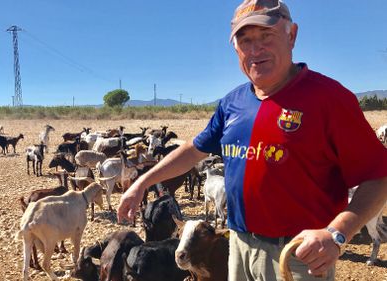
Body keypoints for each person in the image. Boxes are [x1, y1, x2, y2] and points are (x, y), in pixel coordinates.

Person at [117, 0, 387, 280]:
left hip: (297, 256)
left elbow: (378, 176)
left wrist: (337, 233)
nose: (255, 50)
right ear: (235, 48)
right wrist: (141, 184)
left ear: (291, 35)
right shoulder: (233, 102)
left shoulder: (329, 99)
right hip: (238, 246)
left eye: (266, 36)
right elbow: (193, 151)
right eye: (245, 41)